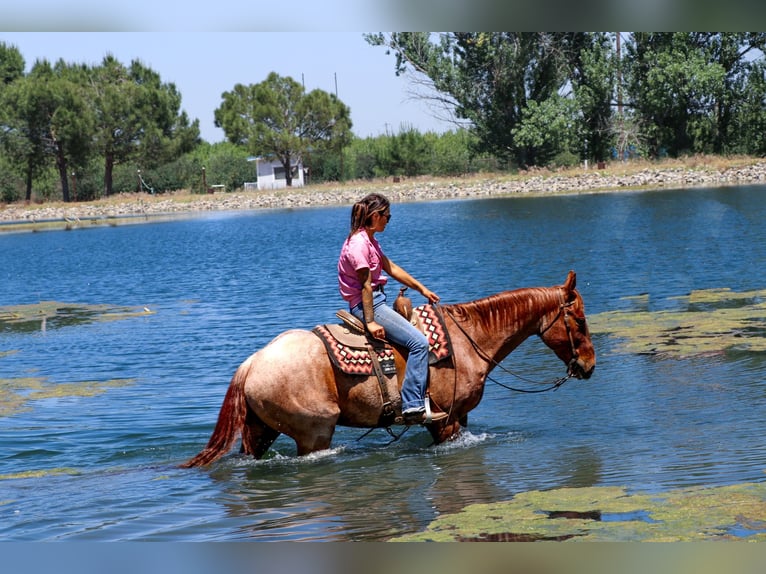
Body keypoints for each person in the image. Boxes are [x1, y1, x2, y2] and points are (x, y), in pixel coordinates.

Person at [337, 193, 448, 425]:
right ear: (375, 215)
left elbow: (391, 267)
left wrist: (421, 289)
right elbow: (366, 286)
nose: (389, 220)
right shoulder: (358, 245)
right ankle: (412, 406)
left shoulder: (369, 240)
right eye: (387, 216)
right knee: (419, 343)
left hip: (377, 300)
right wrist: (370, 322)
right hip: (369, 305)